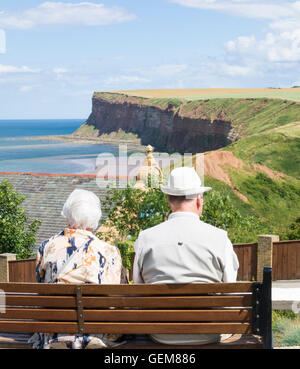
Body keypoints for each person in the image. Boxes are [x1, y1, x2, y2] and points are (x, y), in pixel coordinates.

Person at [133, 167, 239, 346]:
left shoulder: (145, 237)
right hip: (208, 333)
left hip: (161, 334)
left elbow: (138, 289)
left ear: (168, 200)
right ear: (199, 201)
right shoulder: (220, 238)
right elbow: (230, 291)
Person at [28, 189, 127, 349]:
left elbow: (42, 288)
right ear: (95, 220)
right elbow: (116, 297)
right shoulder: (109, 251)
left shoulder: (46, 247)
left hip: (53, 333)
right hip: (95, 333)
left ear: (68, 216)